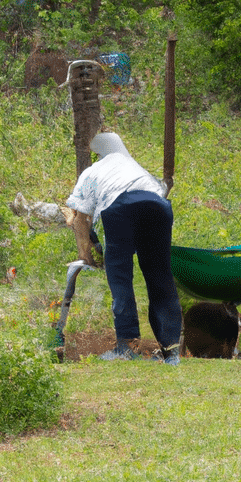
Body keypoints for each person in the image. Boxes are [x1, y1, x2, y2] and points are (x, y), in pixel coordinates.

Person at [66, 131, 182, 365]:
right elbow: (154, 197)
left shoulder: (92, 171)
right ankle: (171, 351)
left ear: (99, 153)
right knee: (160, 277)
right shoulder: (134, 165)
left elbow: (81, 219)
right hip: (158, 207)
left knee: (120, 278)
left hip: (120, 208)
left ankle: (127, 348)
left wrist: (85, 256)